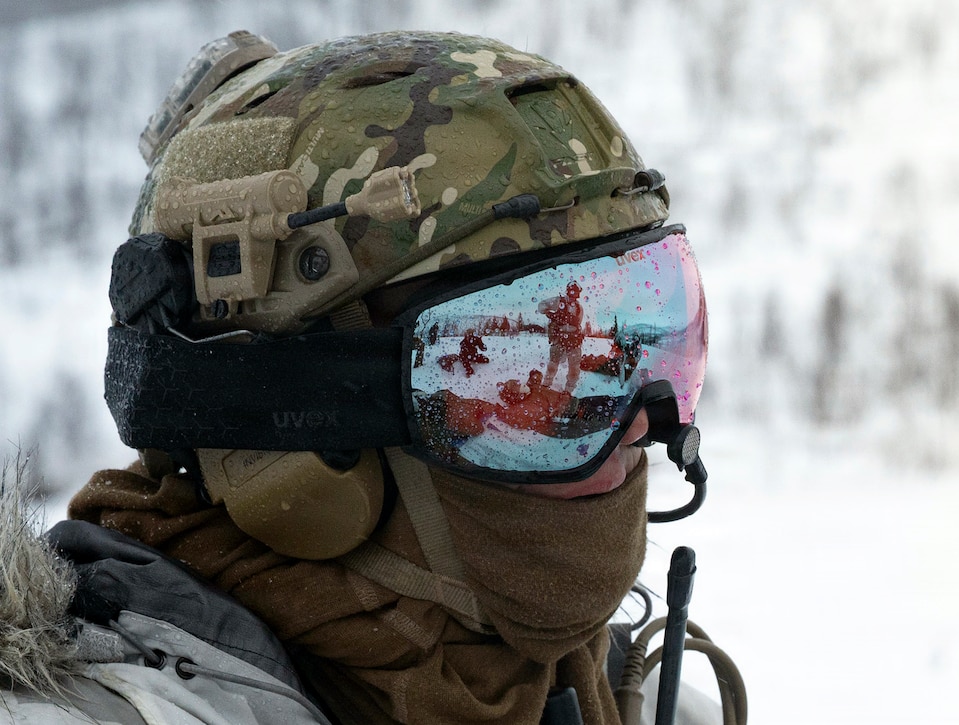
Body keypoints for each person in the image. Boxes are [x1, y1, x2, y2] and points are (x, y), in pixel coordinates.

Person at [0, 30, 744, 725]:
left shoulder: (631, 695)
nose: (639, 421)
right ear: (293, 445)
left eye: (636, 346)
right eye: (516, 374)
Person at [540, 281, 586, 393]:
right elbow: (541, 306)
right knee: (553, 364)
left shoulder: (579, 308)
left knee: (574, 367)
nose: (573, 295)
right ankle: (546, 386)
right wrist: (551, 314)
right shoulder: (558, 301)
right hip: (559, 338)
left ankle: (568, 391)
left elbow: (578, 323)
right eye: (572, 292)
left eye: (576, 293)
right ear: (568, 291)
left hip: (574, 340)